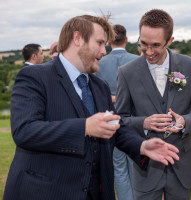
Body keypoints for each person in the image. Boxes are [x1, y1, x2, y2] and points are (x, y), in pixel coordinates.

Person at [3, 15, 180, 200]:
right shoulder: (34, 77)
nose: (105, 51)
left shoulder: (100, 86)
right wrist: (85, 127)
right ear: (77, 38)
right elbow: (25, 131)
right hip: (47, 192)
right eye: (100, 43)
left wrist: (142, 146)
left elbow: (114, 127)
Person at [116, 9, 191, 200]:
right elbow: (121, 119)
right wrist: (144, 123)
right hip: (145, 169)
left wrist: (184, 122)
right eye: (143, 44)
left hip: (181, 166)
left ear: (170, 41)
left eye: (156, 45)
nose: (148, 51)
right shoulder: (126, 72)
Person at [95, 24, 138, 200]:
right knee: (137, 164)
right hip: (135, 119)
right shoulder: (137, 60)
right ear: (126, 40)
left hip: (110, 120)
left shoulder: (99, 62)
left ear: (109, 41)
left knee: (119, 167)